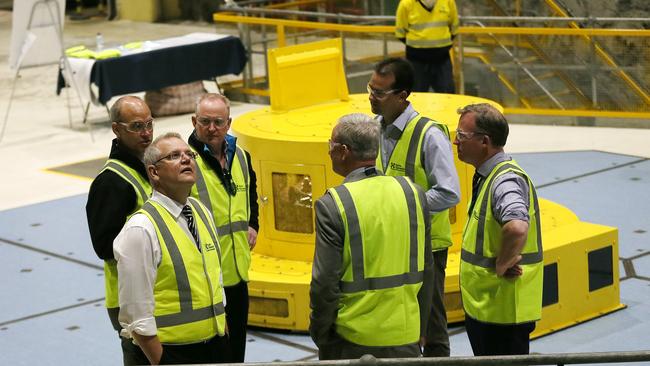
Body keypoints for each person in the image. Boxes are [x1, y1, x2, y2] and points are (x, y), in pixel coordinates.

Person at [309, 113, 434, 360]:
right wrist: (421, 327)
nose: (329, 151)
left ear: (343, 151)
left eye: (330, 146)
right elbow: (427, 269)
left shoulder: (334, 204)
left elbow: (324, 282)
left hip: (351, 340)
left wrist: (321, 334)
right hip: (405, 336)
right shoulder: (413, 194)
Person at [370, 57, 460, 357]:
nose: (371, 96)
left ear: (402, 95)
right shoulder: (375, 129)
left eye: (379, 92)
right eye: (370, 88)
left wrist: (403, 207)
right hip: (393, 244)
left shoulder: (430, 135)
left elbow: (448, 193)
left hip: (427, 247)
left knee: (431, 324)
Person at [114, 132, 230, 365]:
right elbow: (136, 312)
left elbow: (213, 279)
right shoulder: (141, 228)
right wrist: (162, 361)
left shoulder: (200, 211)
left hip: (213, 346)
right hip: (169, 354)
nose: (186, 159)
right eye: (174, 156)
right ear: (154, 172)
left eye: (189, 154)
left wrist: (222, 329)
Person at [454, 103, 543, 356]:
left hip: (501, 312)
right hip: (489, 308)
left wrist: (504, 262)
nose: (456, 142)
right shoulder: (487, 175)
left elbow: (516, 227)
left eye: (461, 136)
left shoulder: (504, 180)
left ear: (484, 141)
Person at [188, 93, 259, 363]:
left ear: (228, 123)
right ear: (194, 121)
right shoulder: (185, 161)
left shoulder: (241, 156)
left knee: (236, 347)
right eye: (205, 121)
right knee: (214, 351)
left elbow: (251, 193)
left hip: (238, 267)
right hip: (206, 274)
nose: (212, 128)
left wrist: (253, 225)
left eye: (218, 122)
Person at [85, 95, 153, 365]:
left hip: (153, 291)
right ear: (116, 129)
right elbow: (104, 247)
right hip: (130, 298)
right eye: (137, 126)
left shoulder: (148, 166)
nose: (146, 133)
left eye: (149, 124)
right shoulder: (111, 182)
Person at [395, 0, 459, 93]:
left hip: (442, 59)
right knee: (415, 97)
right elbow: (400, 32)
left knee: (448, 96)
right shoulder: (406, 3)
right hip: (416, 61)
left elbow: (454, 27)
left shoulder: (448, 1)